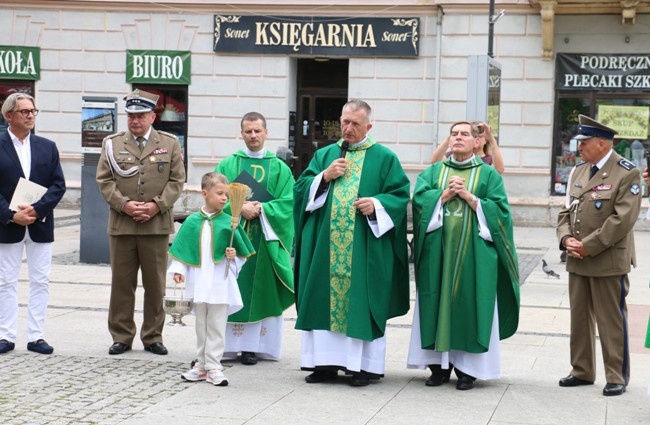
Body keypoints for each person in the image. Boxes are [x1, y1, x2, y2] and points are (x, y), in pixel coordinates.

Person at [293, 99, 411, 387]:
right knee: (322, 298)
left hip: (364, 249)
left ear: (368, 126)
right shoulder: (326, 155)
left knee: (361, 301)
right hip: (325, 248)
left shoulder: (384, 157)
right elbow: (300, 190)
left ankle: (364, 367)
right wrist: (323, 177)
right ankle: (324, 364)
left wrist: (377, 204)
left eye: (355, 124)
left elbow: (400, 194)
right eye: (344, 122)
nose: (348, 128)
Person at [407, 121, 520, 390]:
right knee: (435, 303)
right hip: (438, 254)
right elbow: (419, 202)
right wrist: (443, 196)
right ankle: (438, 368)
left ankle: (468, 370)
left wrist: (470, 197)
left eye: (464, 134)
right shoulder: (434, 171)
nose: (458, 138)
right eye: (454, 134)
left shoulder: (488, 174)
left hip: (475, 255)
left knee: (471, 303)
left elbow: (502, 213)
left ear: (476, 142)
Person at [96, 89, 186, 356]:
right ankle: (121, 336)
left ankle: (153, 336)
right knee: (122, 284)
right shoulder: (112, 143)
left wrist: (155, 205)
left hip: (155, 224)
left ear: (152, 116)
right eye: (131, 115)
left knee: (155, 284)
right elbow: (104, 180)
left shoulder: (169, 143)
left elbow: (177, 180)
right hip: (122, 224)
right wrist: (124, 204)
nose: (135, 120)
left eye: (141, 115)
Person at [557, 114, 641, 397]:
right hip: (577, 259)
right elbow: (566, 211)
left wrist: (588, 245)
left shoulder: (627, 172)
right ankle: (581, 371)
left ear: (603, 144)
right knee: (579, 317)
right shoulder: (579, 170)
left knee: (610, 319)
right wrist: (566, 237)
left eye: (585, 142)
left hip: (607, 259)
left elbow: (622, 219)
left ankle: (616, 375)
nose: (579, 147)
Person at [215, 112, 294, 365]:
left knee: (259, 290)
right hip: (233, 239)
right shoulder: (228, 165)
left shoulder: (280, 168)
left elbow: (289, 203)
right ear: (241, 133)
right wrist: (239, 209)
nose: (253, 135)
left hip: (264, 240)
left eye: (257, 131)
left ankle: (252, 347)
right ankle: (225, 346)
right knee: (232, 286)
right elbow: (215, 198)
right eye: (248, 131)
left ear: (266, 132)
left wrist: (263, 209)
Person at [168, 172, 255, 386]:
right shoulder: (192, 221)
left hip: (219, 283)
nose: (224, 198)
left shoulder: (229, 222)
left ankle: (214, 366)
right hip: (199, 283)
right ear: (205, 194)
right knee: (201, 325)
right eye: (219, 194)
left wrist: (233, 258)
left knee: (216, 325)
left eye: (227, 194)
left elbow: (241, 255)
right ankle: (200, 364)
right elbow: (183, 250)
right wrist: (179, 270)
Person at [0, 93, 66, 355]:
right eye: (24, 111)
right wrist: (9, 214)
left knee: (41, 280)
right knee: (6, 281)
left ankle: (36, 336)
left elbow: (58, 185)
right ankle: (6, 335)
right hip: (8, 224)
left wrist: (38, 210)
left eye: (32, 111)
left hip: (40, 223)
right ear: (8, 116)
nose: (30, 116)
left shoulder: (47, 146)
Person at [431, 121, 505, 174]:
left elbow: (499, 170)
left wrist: (491, 138)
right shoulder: (454, 155)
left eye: (480, 136)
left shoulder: (489, 159)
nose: (477, 138)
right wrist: (453, 135)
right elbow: (435, 162)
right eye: (474, 135)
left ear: (486, 140)